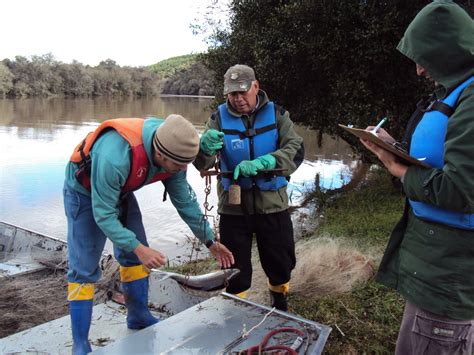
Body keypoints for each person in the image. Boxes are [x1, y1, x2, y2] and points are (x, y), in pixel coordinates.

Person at [64, 115, 234, 354]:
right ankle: (80, 343)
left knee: (135, 256)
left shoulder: (174, 151)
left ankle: (138, 316)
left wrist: (210, 241)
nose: (183, 170)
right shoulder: (115, 157)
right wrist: (139, 248)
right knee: (83, 266)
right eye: (179, 165)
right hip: (83, 191)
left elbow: (184, 202)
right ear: (161, 155)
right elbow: (103, 215)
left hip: (121, 191)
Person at [360, 1, 474, 353]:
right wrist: (395, 146)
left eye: (424, 57)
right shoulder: (457, 93)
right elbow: (445, 160)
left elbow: (461, 190)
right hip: (436, 266)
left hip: (449, 275)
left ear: (448, 50)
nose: (419, 70)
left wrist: (398, 168)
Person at [194, 64, 304, 311]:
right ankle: (236, 313)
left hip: (272, 204)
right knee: (235, 268)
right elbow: (201, 164)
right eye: (232, 93)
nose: (238, 98)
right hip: (234, 209)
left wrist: (268, 161)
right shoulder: (217, 119)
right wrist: (205, 148)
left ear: (256, 86)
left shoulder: (278, 115)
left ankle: (280, 302)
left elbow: (295, 149)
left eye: (243, 92)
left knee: (280, 261)